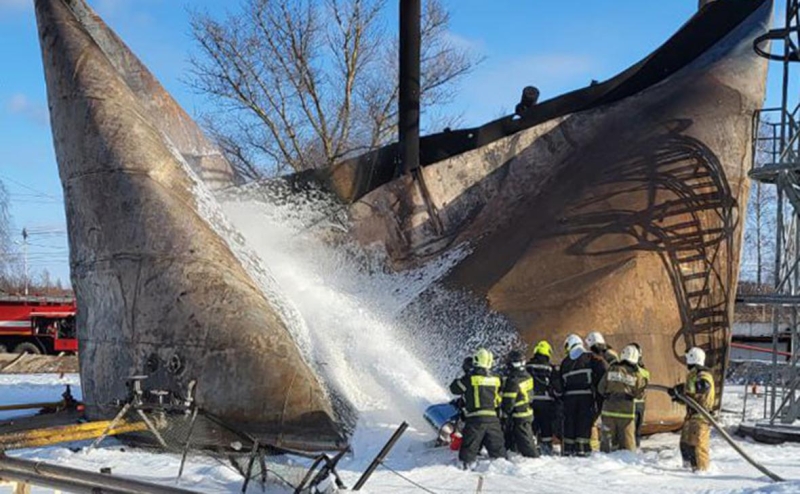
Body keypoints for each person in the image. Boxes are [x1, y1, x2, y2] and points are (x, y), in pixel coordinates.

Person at [450, 348, 507, 469]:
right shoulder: (496, 378)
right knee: (499, 455)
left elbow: (454, 388)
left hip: (475, 420)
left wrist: (465, 375)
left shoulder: (470, 378)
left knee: (468, 454)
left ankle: (466, 470)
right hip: (493, 420)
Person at [670, 347, 715, 472]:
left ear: (692, 359)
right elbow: (691, 397)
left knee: (698, 447)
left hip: (700, 417)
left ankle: (701, 472)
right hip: (691, 417)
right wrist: (676, 395)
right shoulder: (693, 375)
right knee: (685, 445)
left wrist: (682, 389)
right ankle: (688, 469)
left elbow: (702, 388)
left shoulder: (704, 375)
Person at [559, 334, 604, 457]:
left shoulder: (565, 362)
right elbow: (600, 375)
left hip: (569, 399)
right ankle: (583, 450)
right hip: (586, 397)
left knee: (569, 423)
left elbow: (559, 383)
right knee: (584, 424)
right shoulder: (590, 358)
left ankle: (568, 450)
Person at [597, 344, 647, 452]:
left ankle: (602, 465)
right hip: (626, 414)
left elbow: (600, 388)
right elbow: (640, 394)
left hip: (608, 411)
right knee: (628, 449)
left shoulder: (611, 369)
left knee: (607, 447)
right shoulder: (636, 375)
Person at [500, 350, 539, 458]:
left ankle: (534, 458)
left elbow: (508, 402)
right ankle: (513, 451)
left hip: (519, 415)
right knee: (519, 438)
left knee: (526, 443)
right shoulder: (528, 376)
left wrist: (503, 412)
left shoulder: (513, 380)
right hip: (526, 411)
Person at [585, 331, 617, 450]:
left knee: (595, 421)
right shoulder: (611, 354)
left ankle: (599, 448)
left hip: (602, 394)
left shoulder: (600, 360)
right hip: (611, 394)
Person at [527, 340, 557, 455]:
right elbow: (555, 384)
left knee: (532, 425)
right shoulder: (550, 368)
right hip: (546, 401)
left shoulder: (528, 366)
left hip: (531, 400)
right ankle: (547, 448)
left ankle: (531, 446)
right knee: (546, 425)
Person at [631, 343, 650, 447]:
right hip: (641, 404)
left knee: (630, 431)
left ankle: (631, 450)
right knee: (637, 431)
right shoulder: (644, 370)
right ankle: (636, 449)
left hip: (631, 404)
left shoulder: (630, 369)